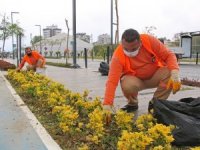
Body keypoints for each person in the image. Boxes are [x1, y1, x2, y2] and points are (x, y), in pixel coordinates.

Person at [103, 29, 181, 114]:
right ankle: (133, 103)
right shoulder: (117, 56)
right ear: (122, 43)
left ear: (140, 42)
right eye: (126, 49)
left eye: (133, 49)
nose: (129, 52)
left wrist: (175, 73)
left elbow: (169, 55)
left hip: (154, 76)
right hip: (136, 81)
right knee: (126, 83)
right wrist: (107, 104)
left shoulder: (149, 41)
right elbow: (111, 81)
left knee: (169, 73)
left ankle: (156, 103)